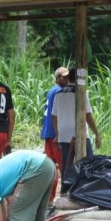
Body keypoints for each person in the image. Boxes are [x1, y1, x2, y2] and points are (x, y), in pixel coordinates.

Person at [51, 68, 102, 193]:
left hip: (64, 134)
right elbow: (88, 115)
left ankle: (65, 189)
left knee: (66, 163)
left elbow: (53, 116)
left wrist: (57, 134)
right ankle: (86, 189)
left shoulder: (59, 94)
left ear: (69, 78)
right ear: (81, 78)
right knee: (88, 161)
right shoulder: (81, 93)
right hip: (80, 133)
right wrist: (96, 133)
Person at [41, 67, 68, 203]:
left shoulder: (52, 90)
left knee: (51, 169)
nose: (67, 79)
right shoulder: (59, 91)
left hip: (48, 133)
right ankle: (65, 196)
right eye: (64, 77)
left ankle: (49, 200)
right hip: (55, 135)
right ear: (57, 78)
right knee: (64, 166)